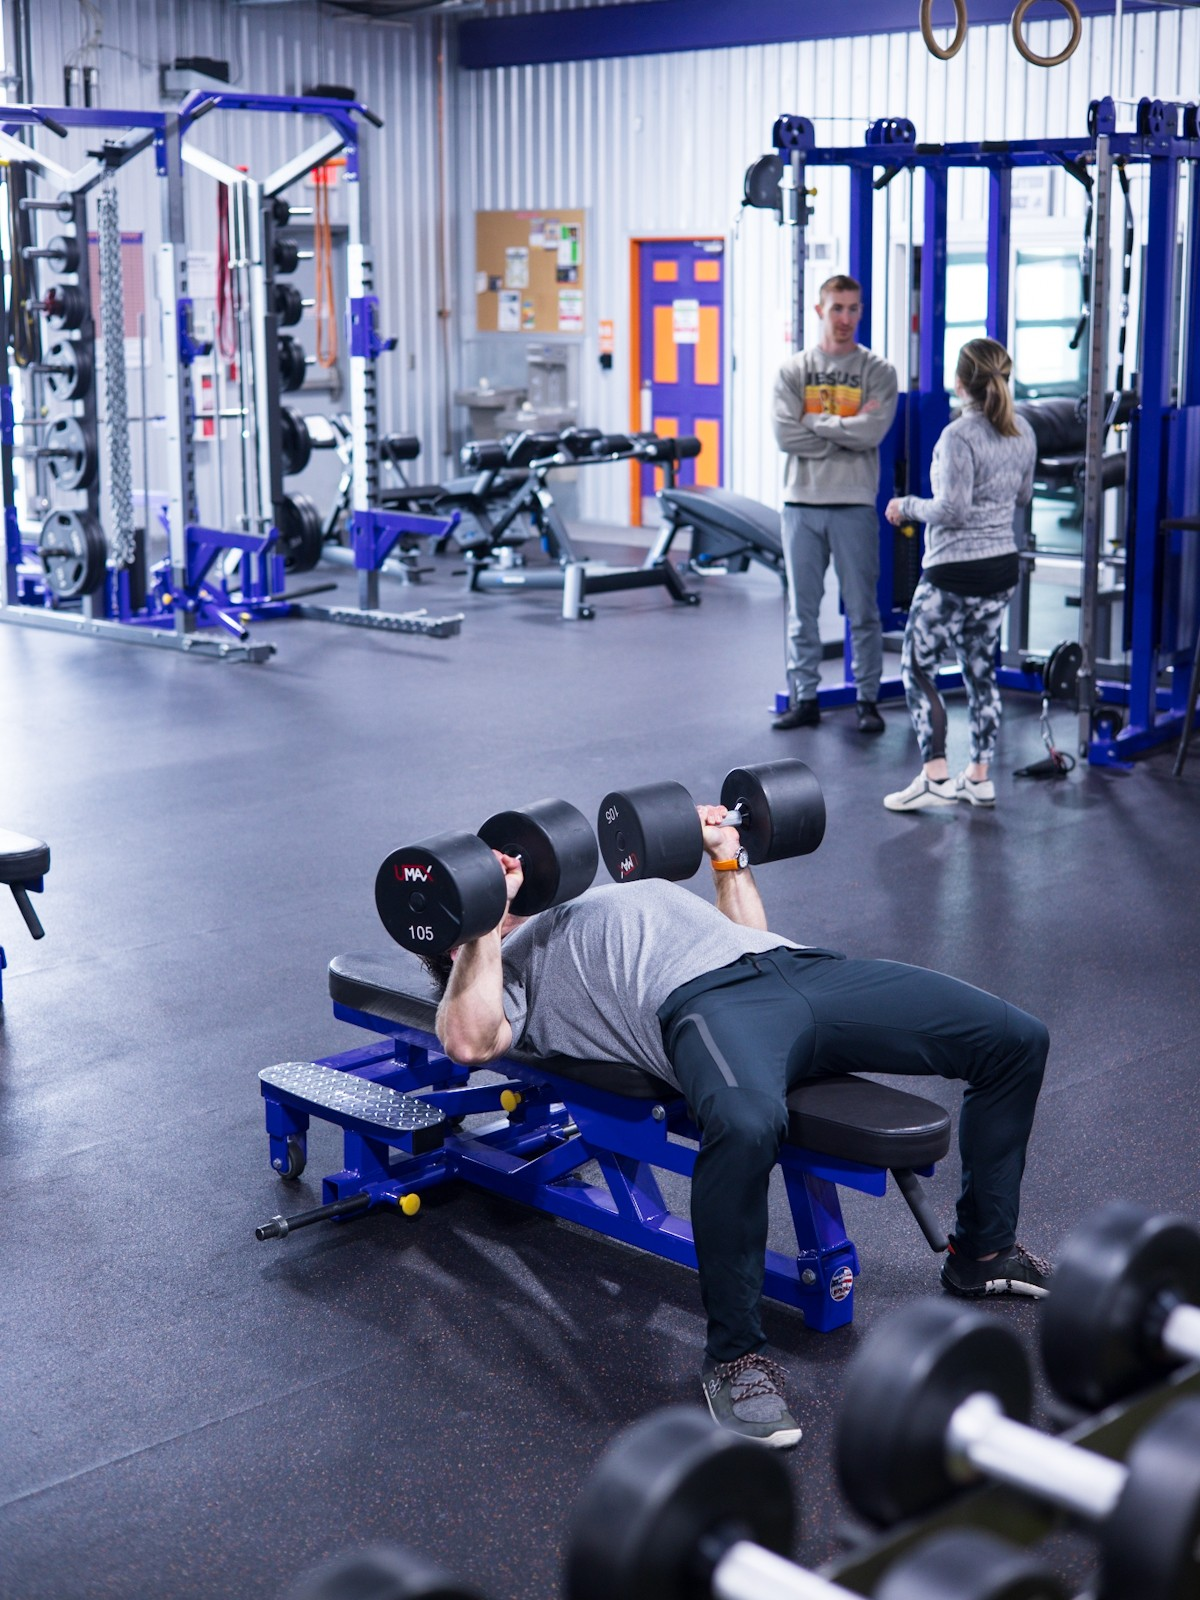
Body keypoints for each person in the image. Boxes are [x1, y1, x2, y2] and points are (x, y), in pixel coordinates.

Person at [430, 812, 1051, 1450]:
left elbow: (747, 933)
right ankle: (735, 1358)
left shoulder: (588, 898)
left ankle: (983, 1254)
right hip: (704, 1006)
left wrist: (728, 856)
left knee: (1015, 1040)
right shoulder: (506, 966)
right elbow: (467, 1041)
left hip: (797, 968)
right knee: (746, 1122)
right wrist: (483, 923)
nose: (506, 872)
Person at [882, 338, 1037, 812]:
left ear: (960, 382)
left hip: (954, 571)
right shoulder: (1023, 430)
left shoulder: (958, 436)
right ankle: (979, 777)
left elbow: (953, 509)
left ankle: (935, 775)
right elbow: (1023, 496)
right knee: (980, 668)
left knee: (916, 667)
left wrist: (905, 505)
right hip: (1001, 568)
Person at [771, 274, 899, 734]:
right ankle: (805, 698)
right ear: (820, 310)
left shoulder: (878, 371)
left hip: (854, 503)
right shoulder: (793, 370)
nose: (845, 318)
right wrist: (846, 429)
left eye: (853, 308)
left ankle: (867, 699)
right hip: (800, 503)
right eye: (837, 308)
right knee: (801, 612)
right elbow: (785, 436)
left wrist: (813, 421)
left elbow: (872, 433)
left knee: (863, 611)